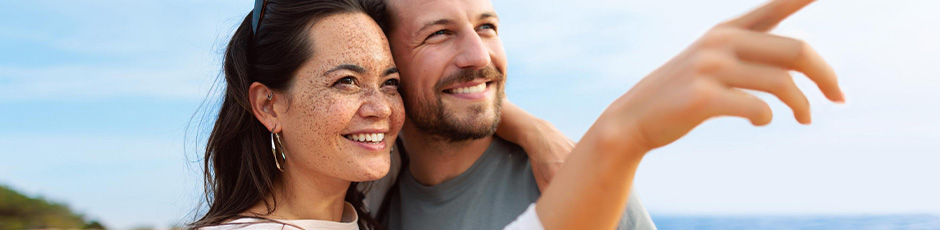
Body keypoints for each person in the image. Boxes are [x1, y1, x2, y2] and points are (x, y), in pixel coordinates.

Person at [362, 0, 844, 229]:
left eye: (487, 27)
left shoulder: (568, 178)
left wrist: (617, 139)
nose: (478, 55)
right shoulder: (367, 185)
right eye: (439, 34)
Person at [188, 0, 565, 229]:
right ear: (269, 105)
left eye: (390, 82)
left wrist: (536, 134)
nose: (381, 109)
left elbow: (443, 93)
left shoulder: (375, 180)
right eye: (346, 82)